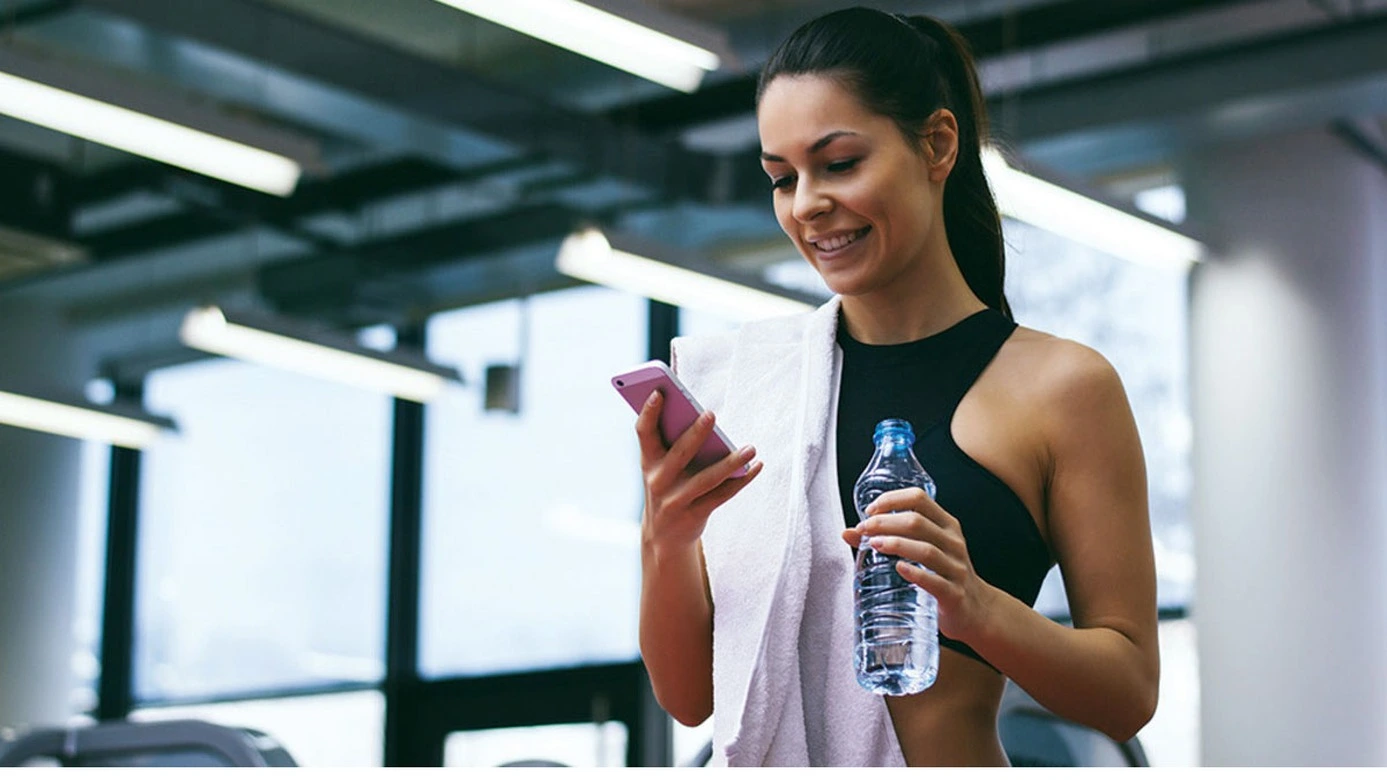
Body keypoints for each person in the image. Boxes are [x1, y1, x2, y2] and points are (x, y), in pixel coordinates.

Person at [635, 6, 1159, 767]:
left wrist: (974, 606)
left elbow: (1127, 691)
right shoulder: (749, 388)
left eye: (839, 163)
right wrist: (667, 537)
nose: (806, 203)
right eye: (781, 178)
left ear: (937, 144)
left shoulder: (1061, 389)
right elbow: (690, 699)